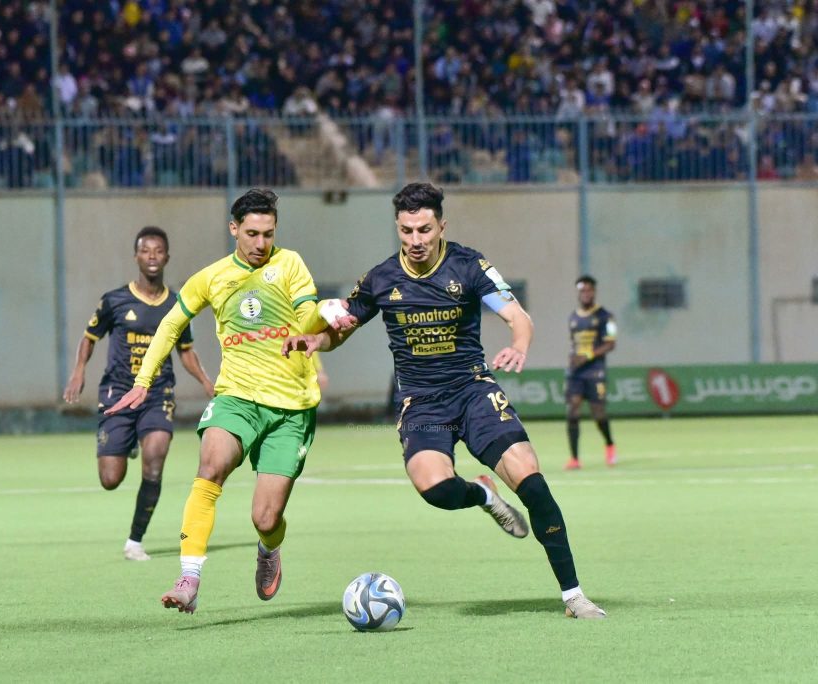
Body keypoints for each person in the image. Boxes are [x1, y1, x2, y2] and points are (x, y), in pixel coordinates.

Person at [282, 182, 607, 619]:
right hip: (422, 404)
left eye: (424, 229)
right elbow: (342, 328)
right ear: (397, 228)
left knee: (532, 482)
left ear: (441, 226)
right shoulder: (381, 278)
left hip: (473, 391)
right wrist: (316, 341)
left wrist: (519, 344)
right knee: (435, 490)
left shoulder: (469, 265)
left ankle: (573, 596)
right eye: (406, 231)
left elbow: (518, 316)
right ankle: (483, 495)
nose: (415, 239)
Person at [106, 188, 325, 614]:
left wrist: (320, 320)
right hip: (236, 398)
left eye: (268, 234)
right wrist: (143, 380)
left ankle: (269, 547)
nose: (261, 243)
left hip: (291, 407)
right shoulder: (212, 276)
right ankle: (189, 578)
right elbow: (171, 324)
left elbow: (307, 313)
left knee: (265, 518)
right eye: (252, 234)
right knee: (210, 467)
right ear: (234, 229)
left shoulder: (290, 263)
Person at [64, 226, 214, 562]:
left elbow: (185, 351)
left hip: (157, 394)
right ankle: (128, 439)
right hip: (118, 393)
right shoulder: (114, 300)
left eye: (158, 251)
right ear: (136, 256)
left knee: (156, 458)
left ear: (167, 257)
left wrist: (207, 381)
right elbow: (89, 337)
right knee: (110, 479)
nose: (152, 257)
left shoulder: (176, 304)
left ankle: (135, 541)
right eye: (146, 251)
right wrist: (78, 371)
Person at [565, 275, 618, 470]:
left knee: (598, 413)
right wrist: (573, 358)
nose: (586, 294)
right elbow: (574, 344)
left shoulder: (606, 316)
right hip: (576, 373)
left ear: (594, 292)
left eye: (589, 290)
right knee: (572, 410)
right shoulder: (573, 317)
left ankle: (610, 444)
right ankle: (574, 458)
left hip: (595, 372)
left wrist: (587, 356)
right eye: (582, 290)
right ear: (578, 293)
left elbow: (611, 344)